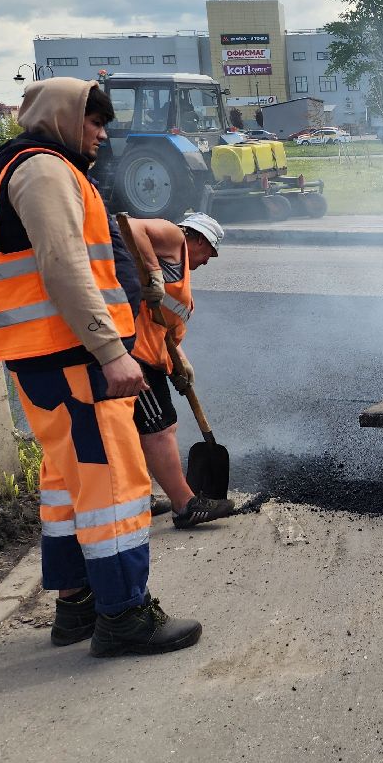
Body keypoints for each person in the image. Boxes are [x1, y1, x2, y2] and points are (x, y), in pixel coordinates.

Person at [0, 77, 202, 657]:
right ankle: (124, 613)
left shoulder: (28, 168)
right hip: (73, 356)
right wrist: (110, 351)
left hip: (45, 355)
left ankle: (76, 605)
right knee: (112, 485)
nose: (101, 135)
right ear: (65, 117)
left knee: (69, 483)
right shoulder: (46, 170)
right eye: (95, 123)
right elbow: (65, 268)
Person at [124, 212, 235, 529]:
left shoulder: (180, 272)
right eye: (209, 252)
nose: (208, 260)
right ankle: (186, 506)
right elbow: (131, 226)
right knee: (160, 429)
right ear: (197, 238)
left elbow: (163, 331)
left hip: (149, 353)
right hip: (133, 353)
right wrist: (155, 275)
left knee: (138, 431)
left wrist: (179, 362)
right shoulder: (174, 239)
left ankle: (139, 498)